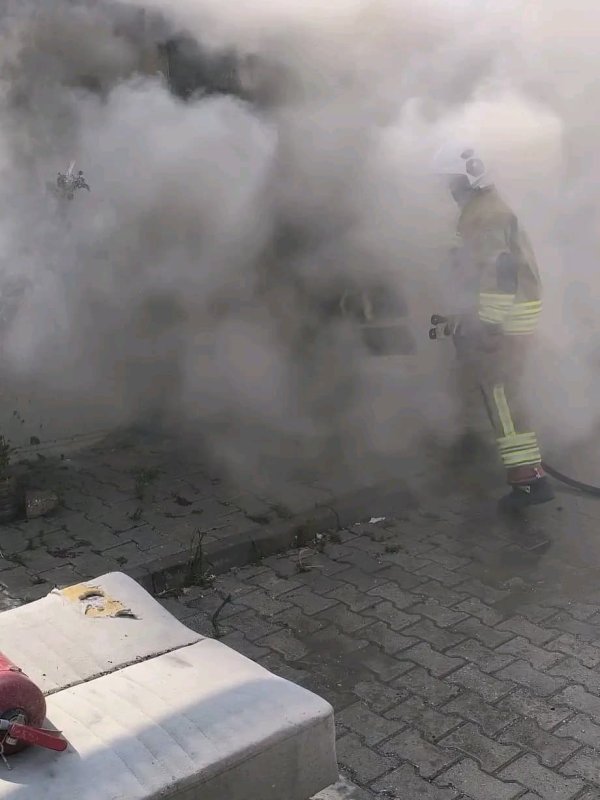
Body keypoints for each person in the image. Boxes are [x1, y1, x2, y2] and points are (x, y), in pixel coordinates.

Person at [432, 141, 554, 511]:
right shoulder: (481, 209)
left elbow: (499, 276)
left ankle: (529, 481)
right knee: (491, 388)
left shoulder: (484, 215)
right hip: (503, 316)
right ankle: (483, 447)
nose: (447, 188)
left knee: (502, 395)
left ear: (466, 178)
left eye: (450, 180)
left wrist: (486, 324)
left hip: (505, 319)